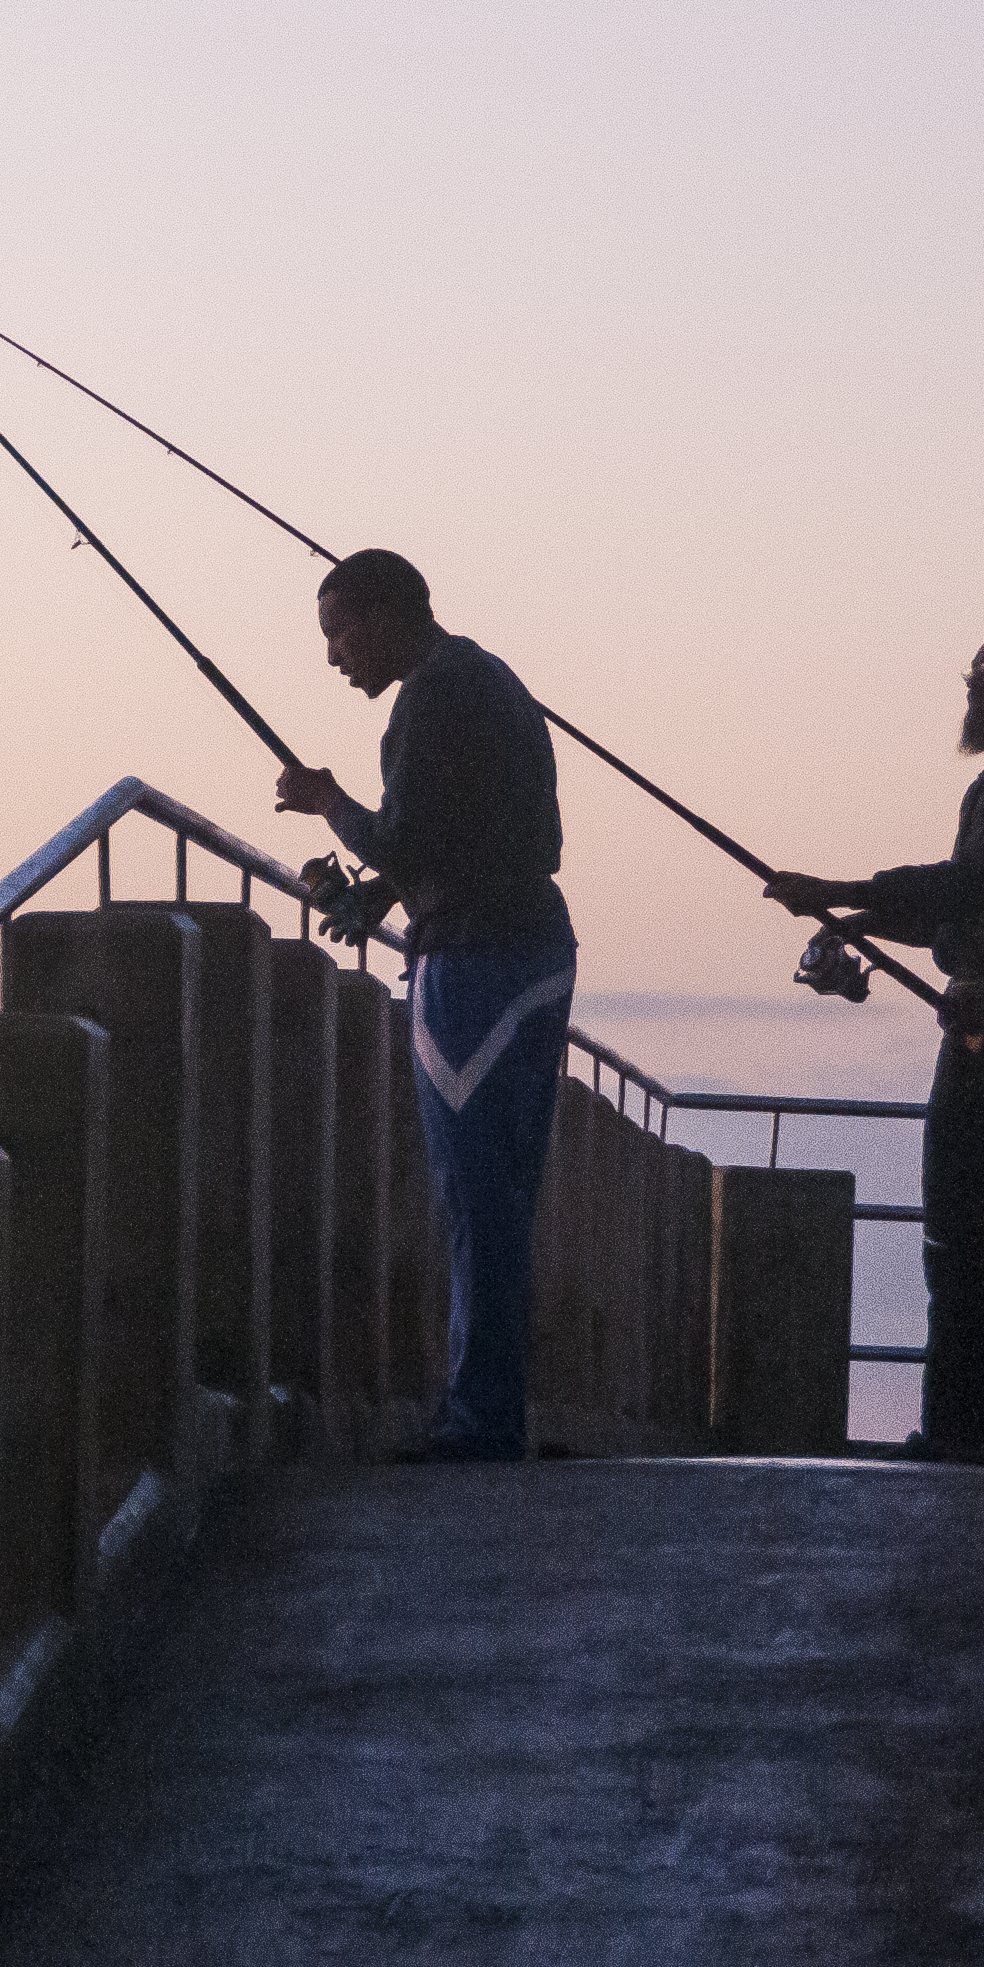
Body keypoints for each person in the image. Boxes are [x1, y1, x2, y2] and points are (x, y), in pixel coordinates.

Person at [762, 631, 984, 1466]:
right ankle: (955, 1429)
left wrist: (844, 891)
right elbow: (954, 912)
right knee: (955, 1230)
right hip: (972, 1031)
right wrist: (857, 923)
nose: (970, 685)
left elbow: (983, 886)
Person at [274, 549, 577, 1463]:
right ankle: (494, 1411)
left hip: (479, 967)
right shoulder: (489, 680)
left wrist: (326, 802)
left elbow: (405, 836)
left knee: (475, 1196)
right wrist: (378, 900)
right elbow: (474, 837)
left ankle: (479, 1422)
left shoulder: (432, 694)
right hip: (527, 949)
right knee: (502, 1195)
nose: (335, 658)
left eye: (338, 633)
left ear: (382, 614)